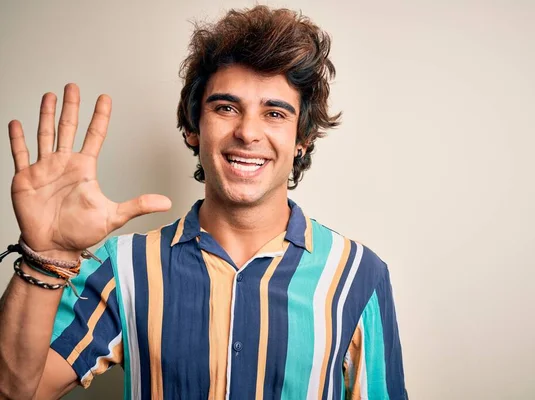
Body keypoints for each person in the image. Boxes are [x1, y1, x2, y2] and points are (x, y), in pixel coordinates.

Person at [0, 5, 408, 400]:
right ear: (194, 126)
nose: (248, 132)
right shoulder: (123, 266)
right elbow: (15, 391)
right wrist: (46, 255)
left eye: (275, 114)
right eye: (226, 108)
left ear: (302, 140)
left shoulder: (359, 276)